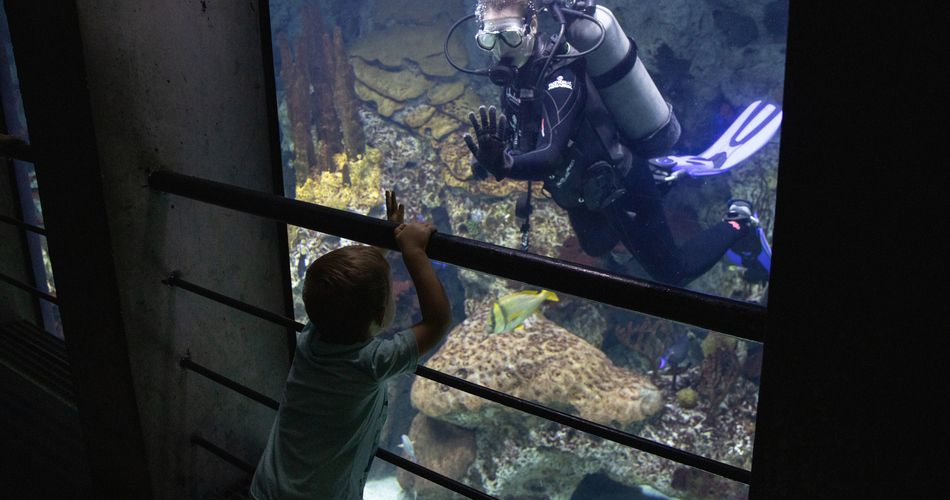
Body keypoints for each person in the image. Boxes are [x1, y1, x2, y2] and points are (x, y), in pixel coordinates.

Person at [460, 0, 772, 285]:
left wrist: (505, 164)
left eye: (510, 36)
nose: (502, 50)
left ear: (532, 27)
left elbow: (548, 154)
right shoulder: (516, 79)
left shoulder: (560, 79)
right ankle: (664, 179)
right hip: (581, 187)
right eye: (490, 39)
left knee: (674, 272)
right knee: (595, 244)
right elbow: (526, 138)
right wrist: (489, 157)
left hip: (621, 186)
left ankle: (740, 222)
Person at [249, 190, 452, 500]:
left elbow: (346, 291)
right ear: (381, 312)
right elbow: (436, 321)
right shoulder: (371, 363)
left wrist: (385, 240)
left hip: (269, 485)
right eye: (389, 294)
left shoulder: (311, 336)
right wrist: (414, 252)